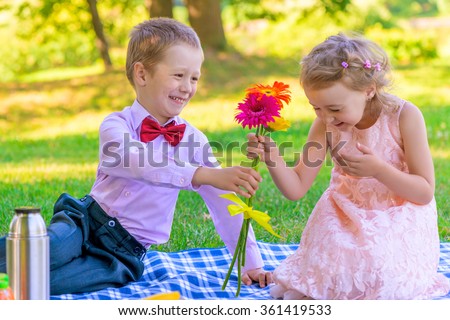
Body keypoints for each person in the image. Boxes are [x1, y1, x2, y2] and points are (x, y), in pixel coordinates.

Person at [0, 18, 272, 295]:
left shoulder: (193, 140)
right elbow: (135, 160)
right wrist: (199, 174)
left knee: (46, 284)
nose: (187, 87)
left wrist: (250, 263)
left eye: (194, 78)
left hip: (123, 255)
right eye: (178, 75)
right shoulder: (115, 125)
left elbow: (223, 202)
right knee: (47, 249)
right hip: (84, 223)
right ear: (142, 75)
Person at [247, 32, 450, 299]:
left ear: (369, 90)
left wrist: (379, 170)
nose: (326, 118)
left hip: (397, 217)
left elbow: (423, 192)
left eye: (334, 108)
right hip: (344, 215)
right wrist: (272, 158)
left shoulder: (405, 117)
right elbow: (296, 188)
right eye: (316, 108)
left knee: (379, 270)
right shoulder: (325, 124)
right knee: (332, 268)